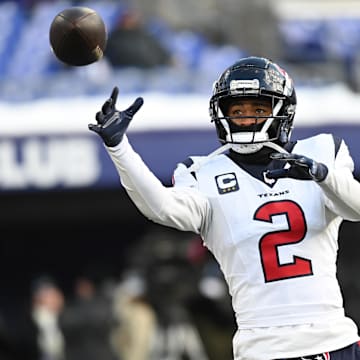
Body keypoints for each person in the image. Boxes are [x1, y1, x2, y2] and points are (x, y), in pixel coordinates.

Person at [88, 56, 360, 360]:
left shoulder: (322, 152)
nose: (246, 119)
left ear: (283, 111)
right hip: (262, 348)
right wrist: (120, 148)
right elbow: (162, 207)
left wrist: (322, 175)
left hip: (333, 340)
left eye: (258, 109)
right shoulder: (203, 173)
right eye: (237, 110)